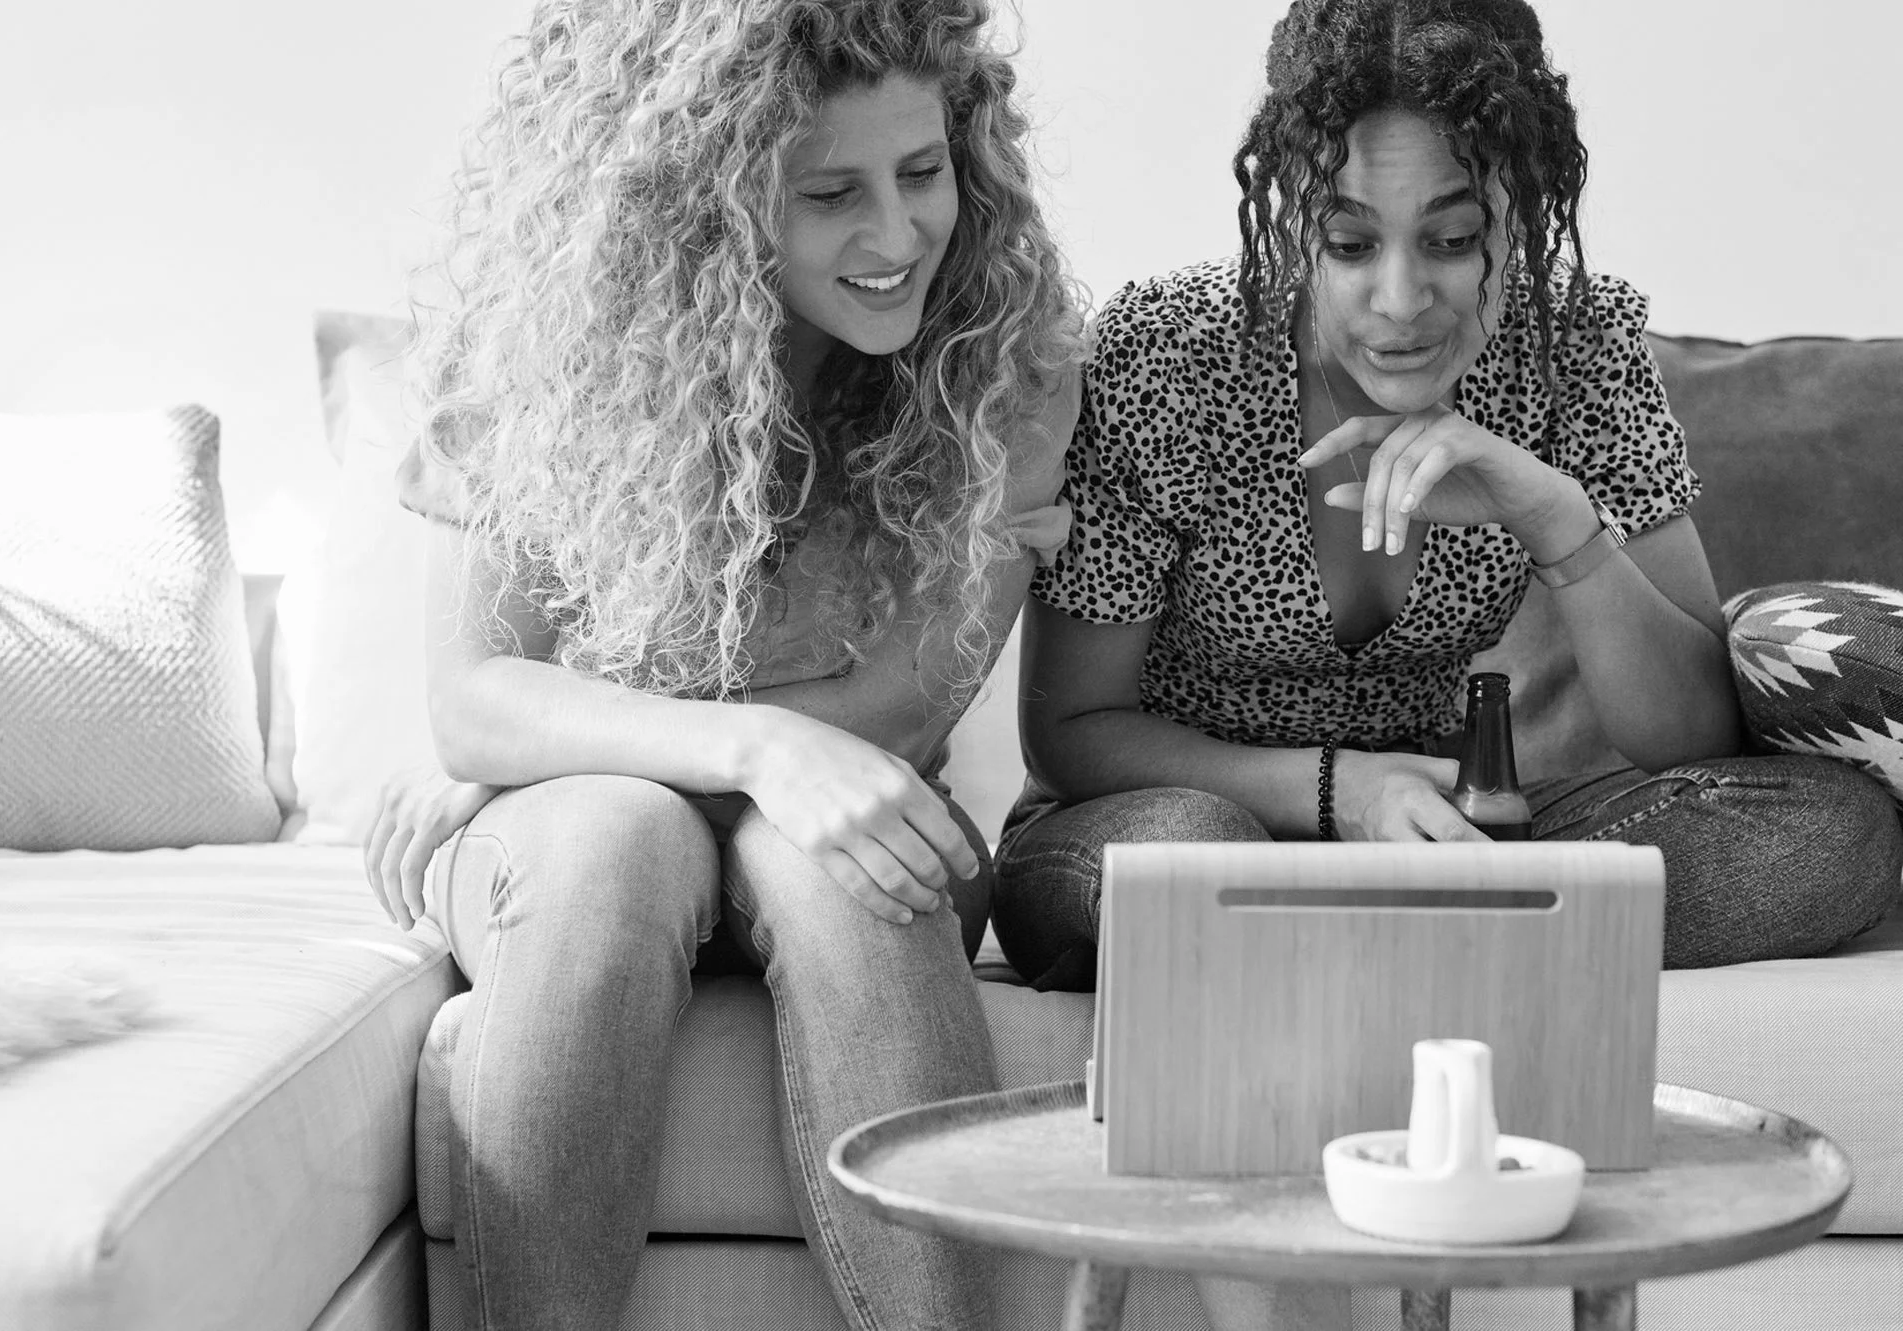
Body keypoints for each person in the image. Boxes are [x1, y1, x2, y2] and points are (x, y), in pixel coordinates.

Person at [359, 1, 1084, 1327]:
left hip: (822, 821)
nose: (895, 235)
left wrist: (578, 723)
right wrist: (751, 748)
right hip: (579, 836)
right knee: (617, 843)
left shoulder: (1006, 363)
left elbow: (906, 707)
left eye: (922, 173)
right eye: (827, 193)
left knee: (852, 865)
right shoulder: (533, 351)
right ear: (706, 202)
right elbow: (476, 696)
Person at [992, 0, 1901, 994]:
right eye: (1346, 243)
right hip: (1157, 821)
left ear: (1521, 203)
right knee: (1194, 853)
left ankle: (1360, 951)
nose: (1397, 299)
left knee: (1828, 833)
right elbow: (1073, 730)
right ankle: (1453, 947)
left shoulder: (1572, 350)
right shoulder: (1170, 359)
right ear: (1291, 216)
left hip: (1427, 829)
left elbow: (1689, 737)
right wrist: (1346, 790)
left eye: (1451, 236)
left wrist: (1556, 521)